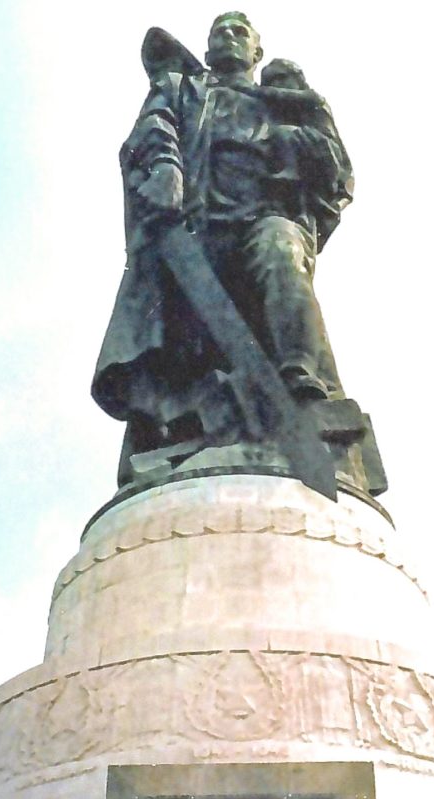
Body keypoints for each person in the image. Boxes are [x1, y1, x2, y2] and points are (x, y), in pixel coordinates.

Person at [92, 13, 355, 487]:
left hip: (265, 218)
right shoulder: (184, 90)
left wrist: (305, 118)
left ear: (257, 51)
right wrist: (167, 168)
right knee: (187, 328)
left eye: (239, 32)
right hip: (195, 227)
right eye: (219, 32)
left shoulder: (284, 104)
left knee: (280, 253)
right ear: (208, 50)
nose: (228, 38)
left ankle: (300, 380)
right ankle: (188, 420)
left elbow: (334, 175)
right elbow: (154, 127)